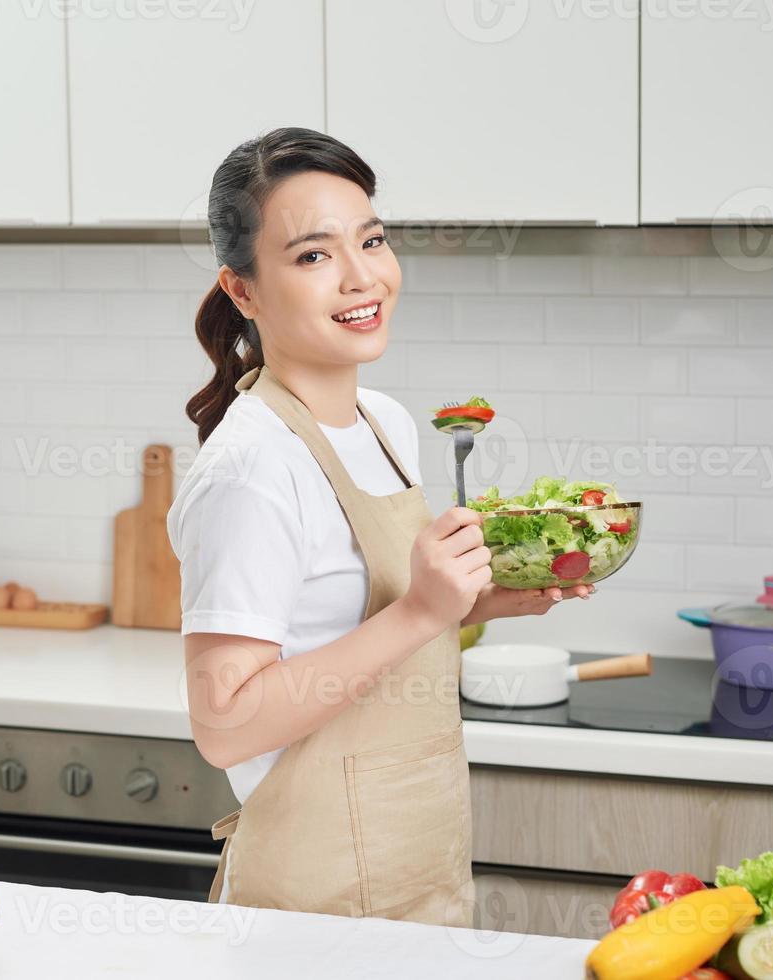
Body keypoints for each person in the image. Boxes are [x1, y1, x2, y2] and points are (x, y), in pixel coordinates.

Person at [166, 127, 592, 928]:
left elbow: (364, 627)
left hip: (417, 881)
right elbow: (224, 725)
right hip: (308, 912)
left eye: (373, 239)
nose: (364, 276)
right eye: (314, 255)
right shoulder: (252, 468)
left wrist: (478, 599)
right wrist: (424, 612)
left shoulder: (384, 421)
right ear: (244, 290)